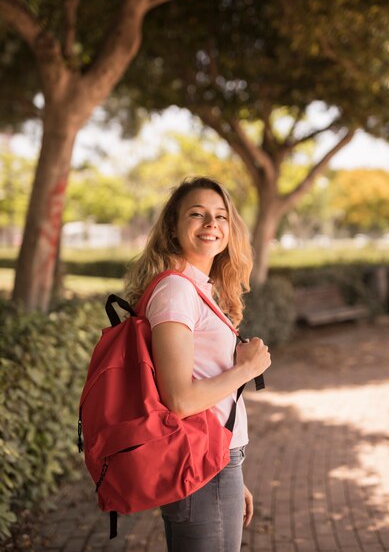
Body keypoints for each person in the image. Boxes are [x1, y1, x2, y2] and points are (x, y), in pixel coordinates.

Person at [125, 176, 271, 552]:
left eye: (220, 216)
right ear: (173, 228)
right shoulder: (175, 291)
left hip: (213, 461)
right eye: (197, 214)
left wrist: (234, 475)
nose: (211, 224)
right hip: (203, 466)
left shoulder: (196, 287)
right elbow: (181, 399)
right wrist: (247, 369)